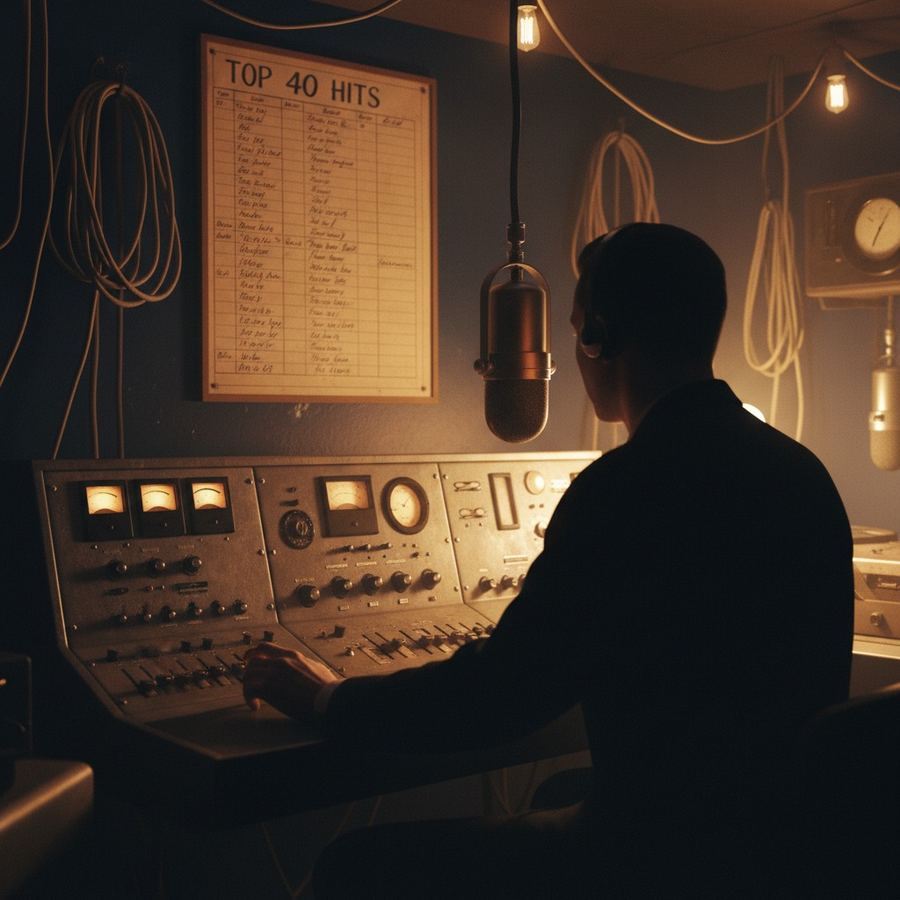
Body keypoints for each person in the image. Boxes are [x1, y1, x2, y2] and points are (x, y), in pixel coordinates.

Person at [244, 223, 853, 898]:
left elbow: (502, 696)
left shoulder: (625, 488)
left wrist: (329, 699)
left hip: (659, 861)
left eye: (576, 329)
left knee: (355, 866)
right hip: (781, 854)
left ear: (598, 336)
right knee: (565, 786)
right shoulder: (803, 473)